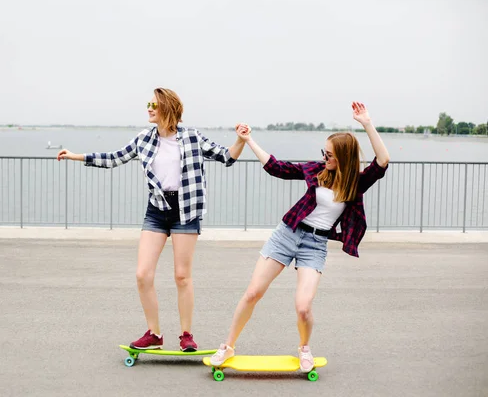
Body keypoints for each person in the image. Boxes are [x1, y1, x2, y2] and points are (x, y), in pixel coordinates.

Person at [57, 88, 247, 351]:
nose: (148, 108)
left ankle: (186, 335)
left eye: (153, 104)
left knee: (182, 277)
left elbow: (227, 156)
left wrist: (241, 140)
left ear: (167, 108)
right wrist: (76, 156)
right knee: (143, 274)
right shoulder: (144, 139)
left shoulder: (192, 137)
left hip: (185, 210)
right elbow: (114, 158)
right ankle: (154, 334)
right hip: (157, 210)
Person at [209, 102, 390, 371]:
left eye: (329, 154)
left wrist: (366, 123)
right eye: (323, 153)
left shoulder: (356, 182)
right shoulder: (316, 171)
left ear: (343, 156)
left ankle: (304, 348)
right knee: (253, 293)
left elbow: (383, 161)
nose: (324, 158)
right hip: (287, 234)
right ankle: (228, 345)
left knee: (303, 307)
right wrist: (248, 140)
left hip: (315, 245)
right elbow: (277, 168)